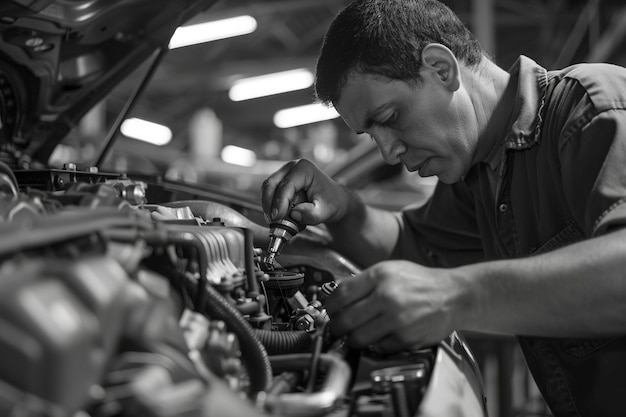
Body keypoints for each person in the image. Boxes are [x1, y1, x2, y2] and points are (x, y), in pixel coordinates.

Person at [260, 0, 626, 415]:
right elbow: (417, 248)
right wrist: (344, 207)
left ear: (441, 68)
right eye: (371, 133)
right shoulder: (482, 171)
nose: (388, 152)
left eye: (390, 116)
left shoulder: (591, 108)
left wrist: (455, 296)